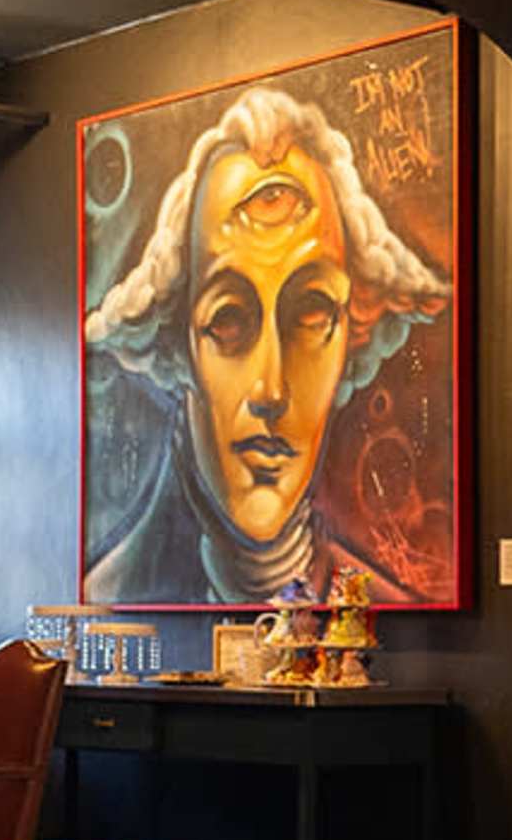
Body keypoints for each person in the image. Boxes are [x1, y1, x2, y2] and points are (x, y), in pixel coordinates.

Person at [82, 84, 450, 605]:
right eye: (229, 320)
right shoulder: (105, 599)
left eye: (312, 314)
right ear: (178, 345)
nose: (270, 391)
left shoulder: (386, 610)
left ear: (353, 340)